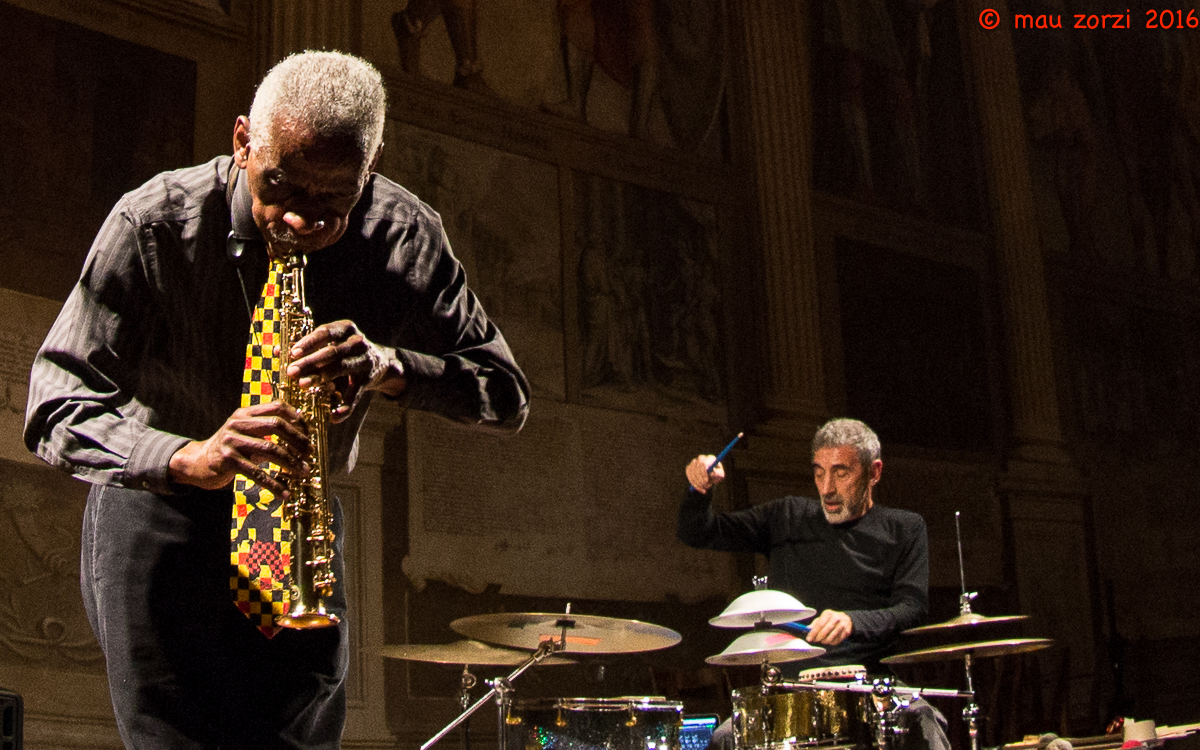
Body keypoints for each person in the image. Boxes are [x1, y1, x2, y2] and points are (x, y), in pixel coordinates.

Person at [24, 51, 529, 749]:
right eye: (279, 186)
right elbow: (54, 402)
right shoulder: (153, 224)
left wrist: (390, 366)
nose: (299, 221)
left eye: (333, 204)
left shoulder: (406, 235)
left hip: (302, 527)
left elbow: (505, 394)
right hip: (161, 524)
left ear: (372, 167)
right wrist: (190, 456)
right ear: (242, 141)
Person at [677, 418, 949, 750]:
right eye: (819, 472)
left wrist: (852, 621)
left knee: (925, 724)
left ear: (874, 472)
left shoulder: (904, 528)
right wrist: (700, 489)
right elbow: (698, 532)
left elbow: (913, 607)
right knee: (723, 739)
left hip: (871, 687)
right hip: (792, 686)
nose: (827, 488)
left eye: (841, 473)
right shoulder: (787, 516)